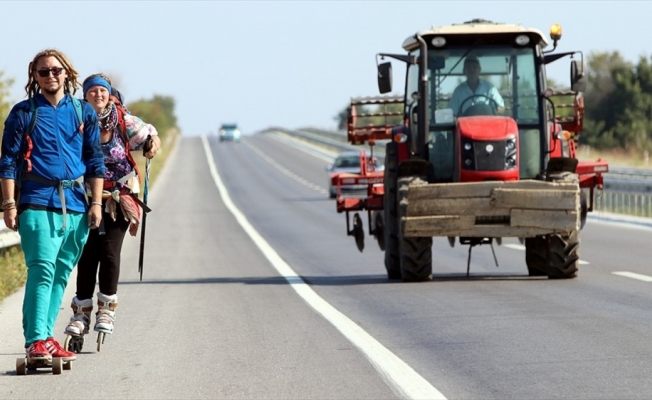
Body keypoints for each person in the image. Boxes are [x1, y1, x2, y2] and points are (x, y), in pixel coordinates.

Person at [0, 49, 105, 363]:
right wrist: (8, 204)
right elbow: (7, 162)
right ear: (35, 76)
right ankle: (35, 341)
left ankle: (47, 337)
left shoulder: (83, 111)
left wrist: (96, 203)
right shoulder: (23, 112)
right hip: (37, 202)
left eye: (55, 70)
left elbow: (95, 162)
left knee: (60, 274)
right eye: (43, 72)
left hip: (76, 206)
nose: (50, 76)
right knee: (42, 270)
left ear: (67, 73)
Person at [63, 73, 160, 348]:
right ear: (86, 95)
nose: (98, 94)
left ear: (109, 94)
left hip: (118, 197)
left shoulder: (124, 121)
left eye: (102, 90)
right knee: (86, 254)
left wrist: (151, 145)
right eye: (92, 90)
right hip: (83, 198)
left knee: (109, 252)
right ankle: (81, 313)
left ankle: (106, 307)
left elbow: (151, 136)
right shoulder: (76, 121)